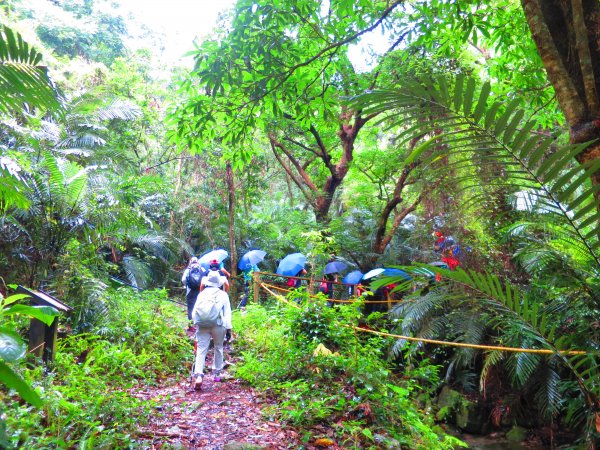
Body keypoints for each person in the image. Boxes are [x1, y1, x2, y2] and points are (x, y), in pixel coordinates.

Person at [192, 270, 232, 390]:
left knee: (201, 348)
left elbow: (194, 312)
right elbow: (227, 313)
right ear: (219, 282)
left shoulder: (202, 294)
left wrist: (196, 324)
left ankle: (199, 375)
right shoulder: (223, 294)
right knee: (218, 347)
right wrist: (228, 328)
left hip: (202, 325)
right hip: (218, 325)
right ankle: (217, 373)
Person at [181, 257, 205, 331]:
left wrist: (186, 285)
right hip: (200, 291)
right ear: (198, 262)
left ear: (190, 262)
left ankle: (191, 326)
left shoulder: (188, 270)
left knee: (190, 308)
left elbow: (183, 279)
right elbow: (205, 279)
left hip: (190, 291)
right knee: (200, 307)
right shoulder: (202, 269)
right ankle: (199, 325)